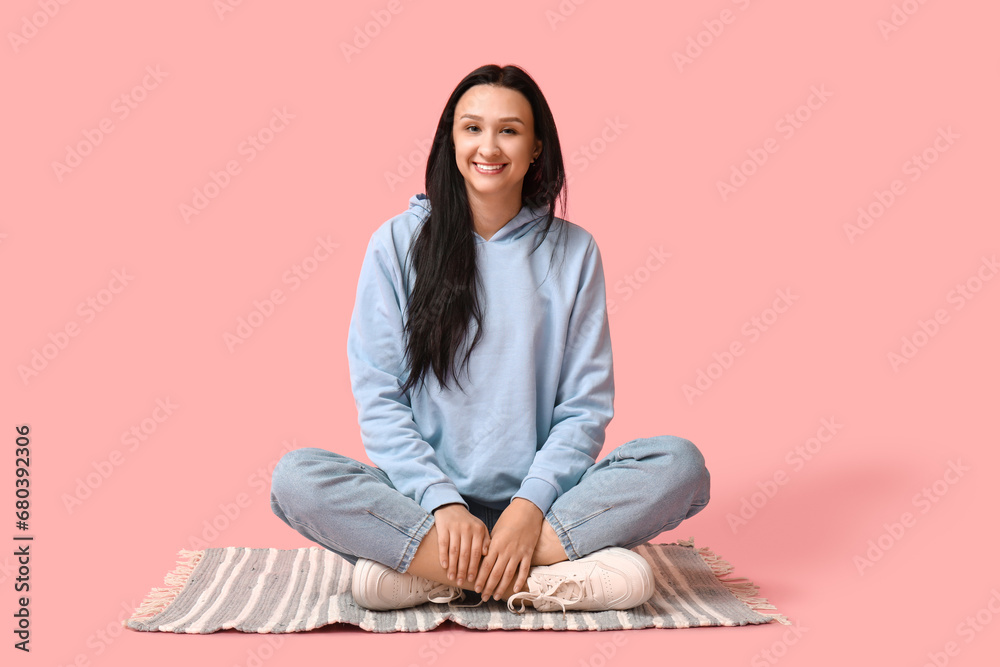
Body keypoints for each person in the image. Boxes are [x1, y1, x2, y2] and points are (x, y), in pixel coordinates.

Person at [269, 63, 710, 614]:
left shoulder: (574, 252)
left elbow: (584, 408)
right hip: (424, 506)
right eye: (472, 128)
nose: (489, 146)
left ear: (535, 150)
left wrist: (529, 507)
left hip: (547, 505)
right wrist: (440, 503)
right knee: (297, 479)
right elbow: (380, 398)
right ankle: (537, 574)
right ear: (449, 140)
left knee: (679, 465)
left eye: (509, 130)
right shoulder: (397, 243)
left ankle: (437, 574)